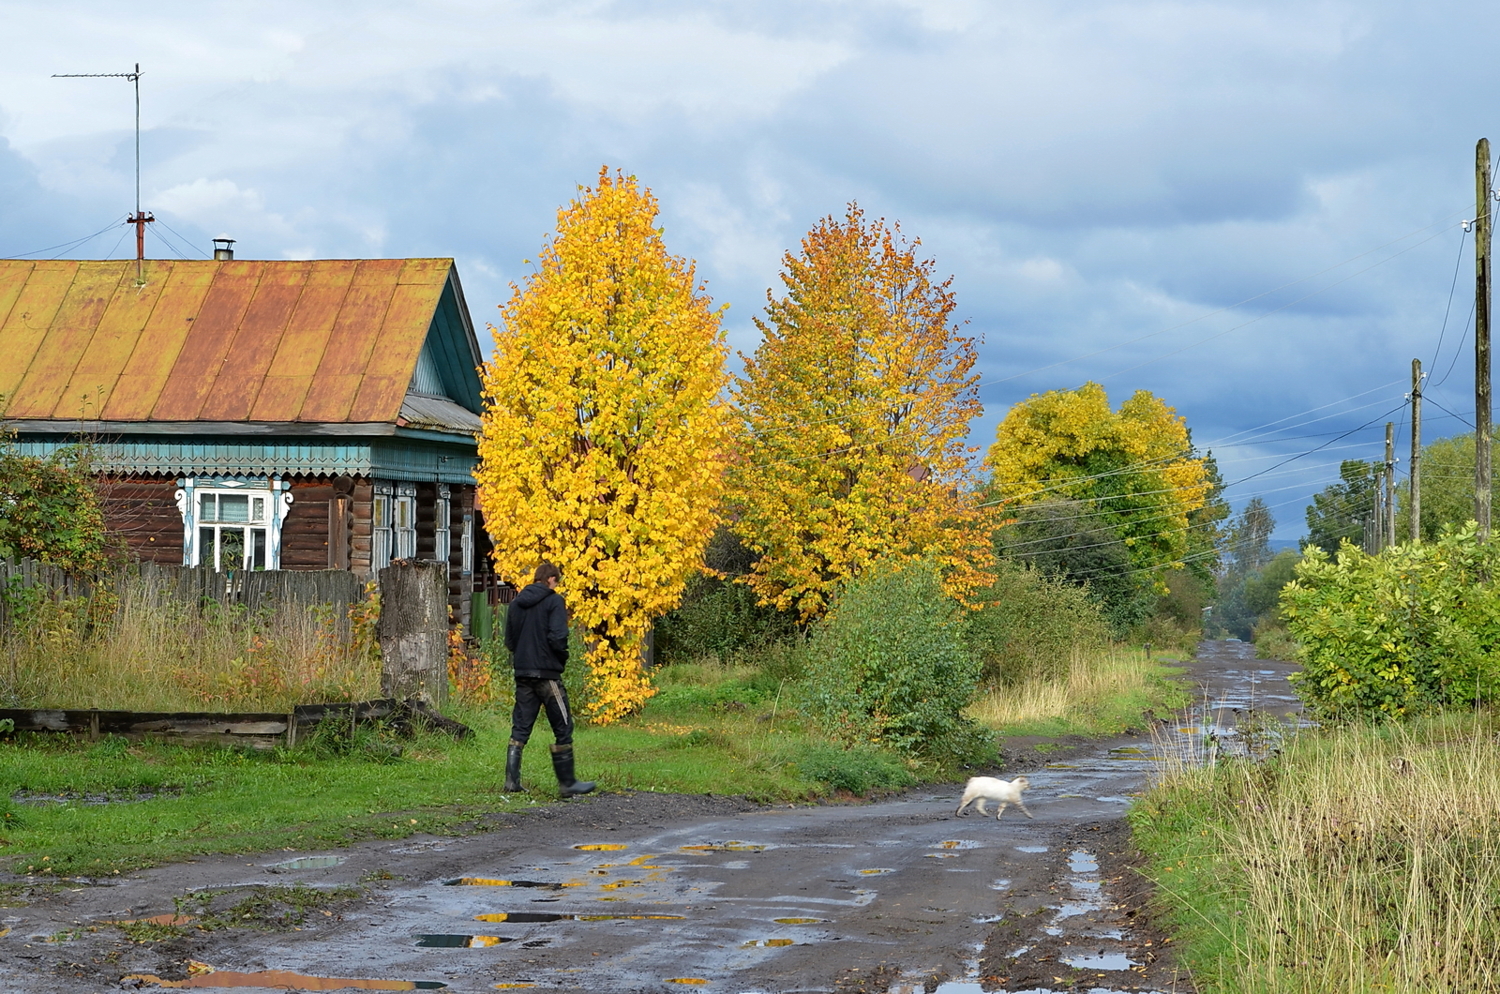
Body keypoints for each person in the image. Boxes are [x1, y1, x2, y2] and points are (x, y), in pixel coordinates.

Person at [503, 562, 596, 797]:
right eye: (558, 581)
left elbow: (510, 641)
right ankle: (568, 784)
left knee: (521, 727)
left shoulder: (516, 604)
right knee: (563, 726)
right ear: (552, 579)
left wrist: (524, 657)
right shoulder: (554, 601)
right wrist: (561, 657)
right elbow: (558, 636)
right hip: (547, 673)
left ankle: (511, 782)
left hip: (523, 672)